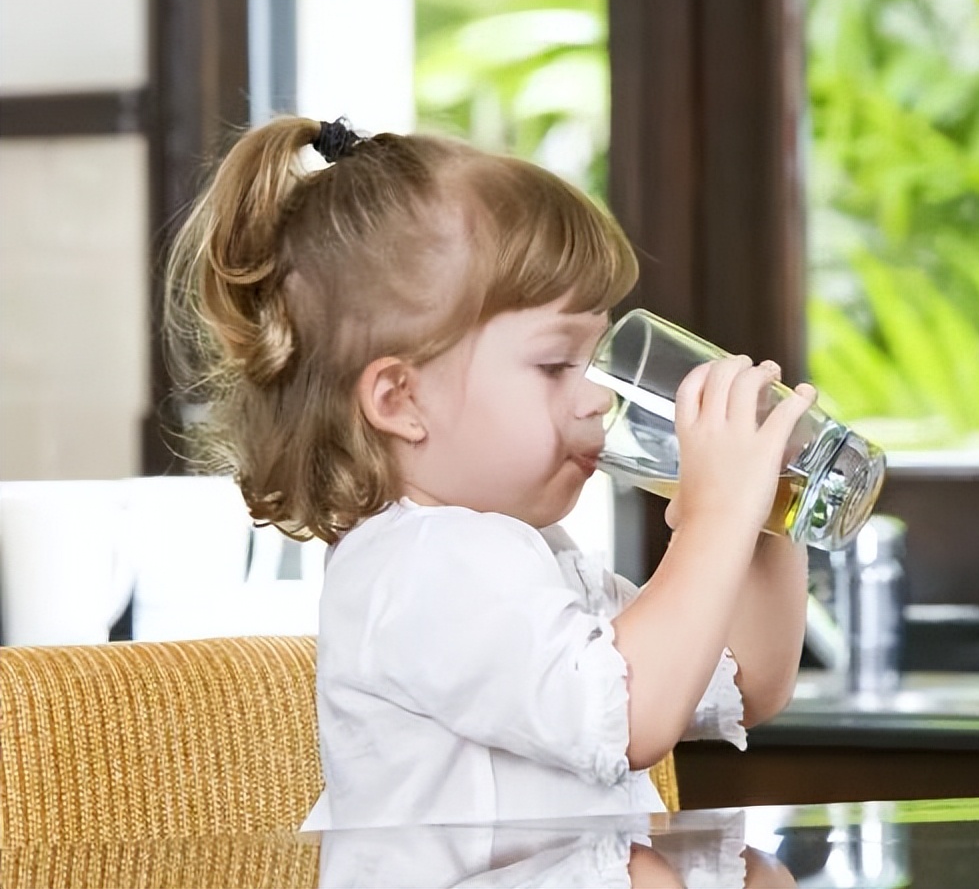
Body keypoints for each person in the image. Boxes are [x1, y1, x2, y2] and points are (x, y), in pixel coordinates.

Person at [165, 116, 817, 829]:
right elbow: (630, 718)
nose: (600, 395)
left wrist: (763, 513)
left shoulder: (530, 554)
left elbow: (748, 679)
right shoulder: (419, 567)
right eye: (554, 363)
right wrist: (717, 518)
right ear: (400, 399)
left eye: (596, 356)